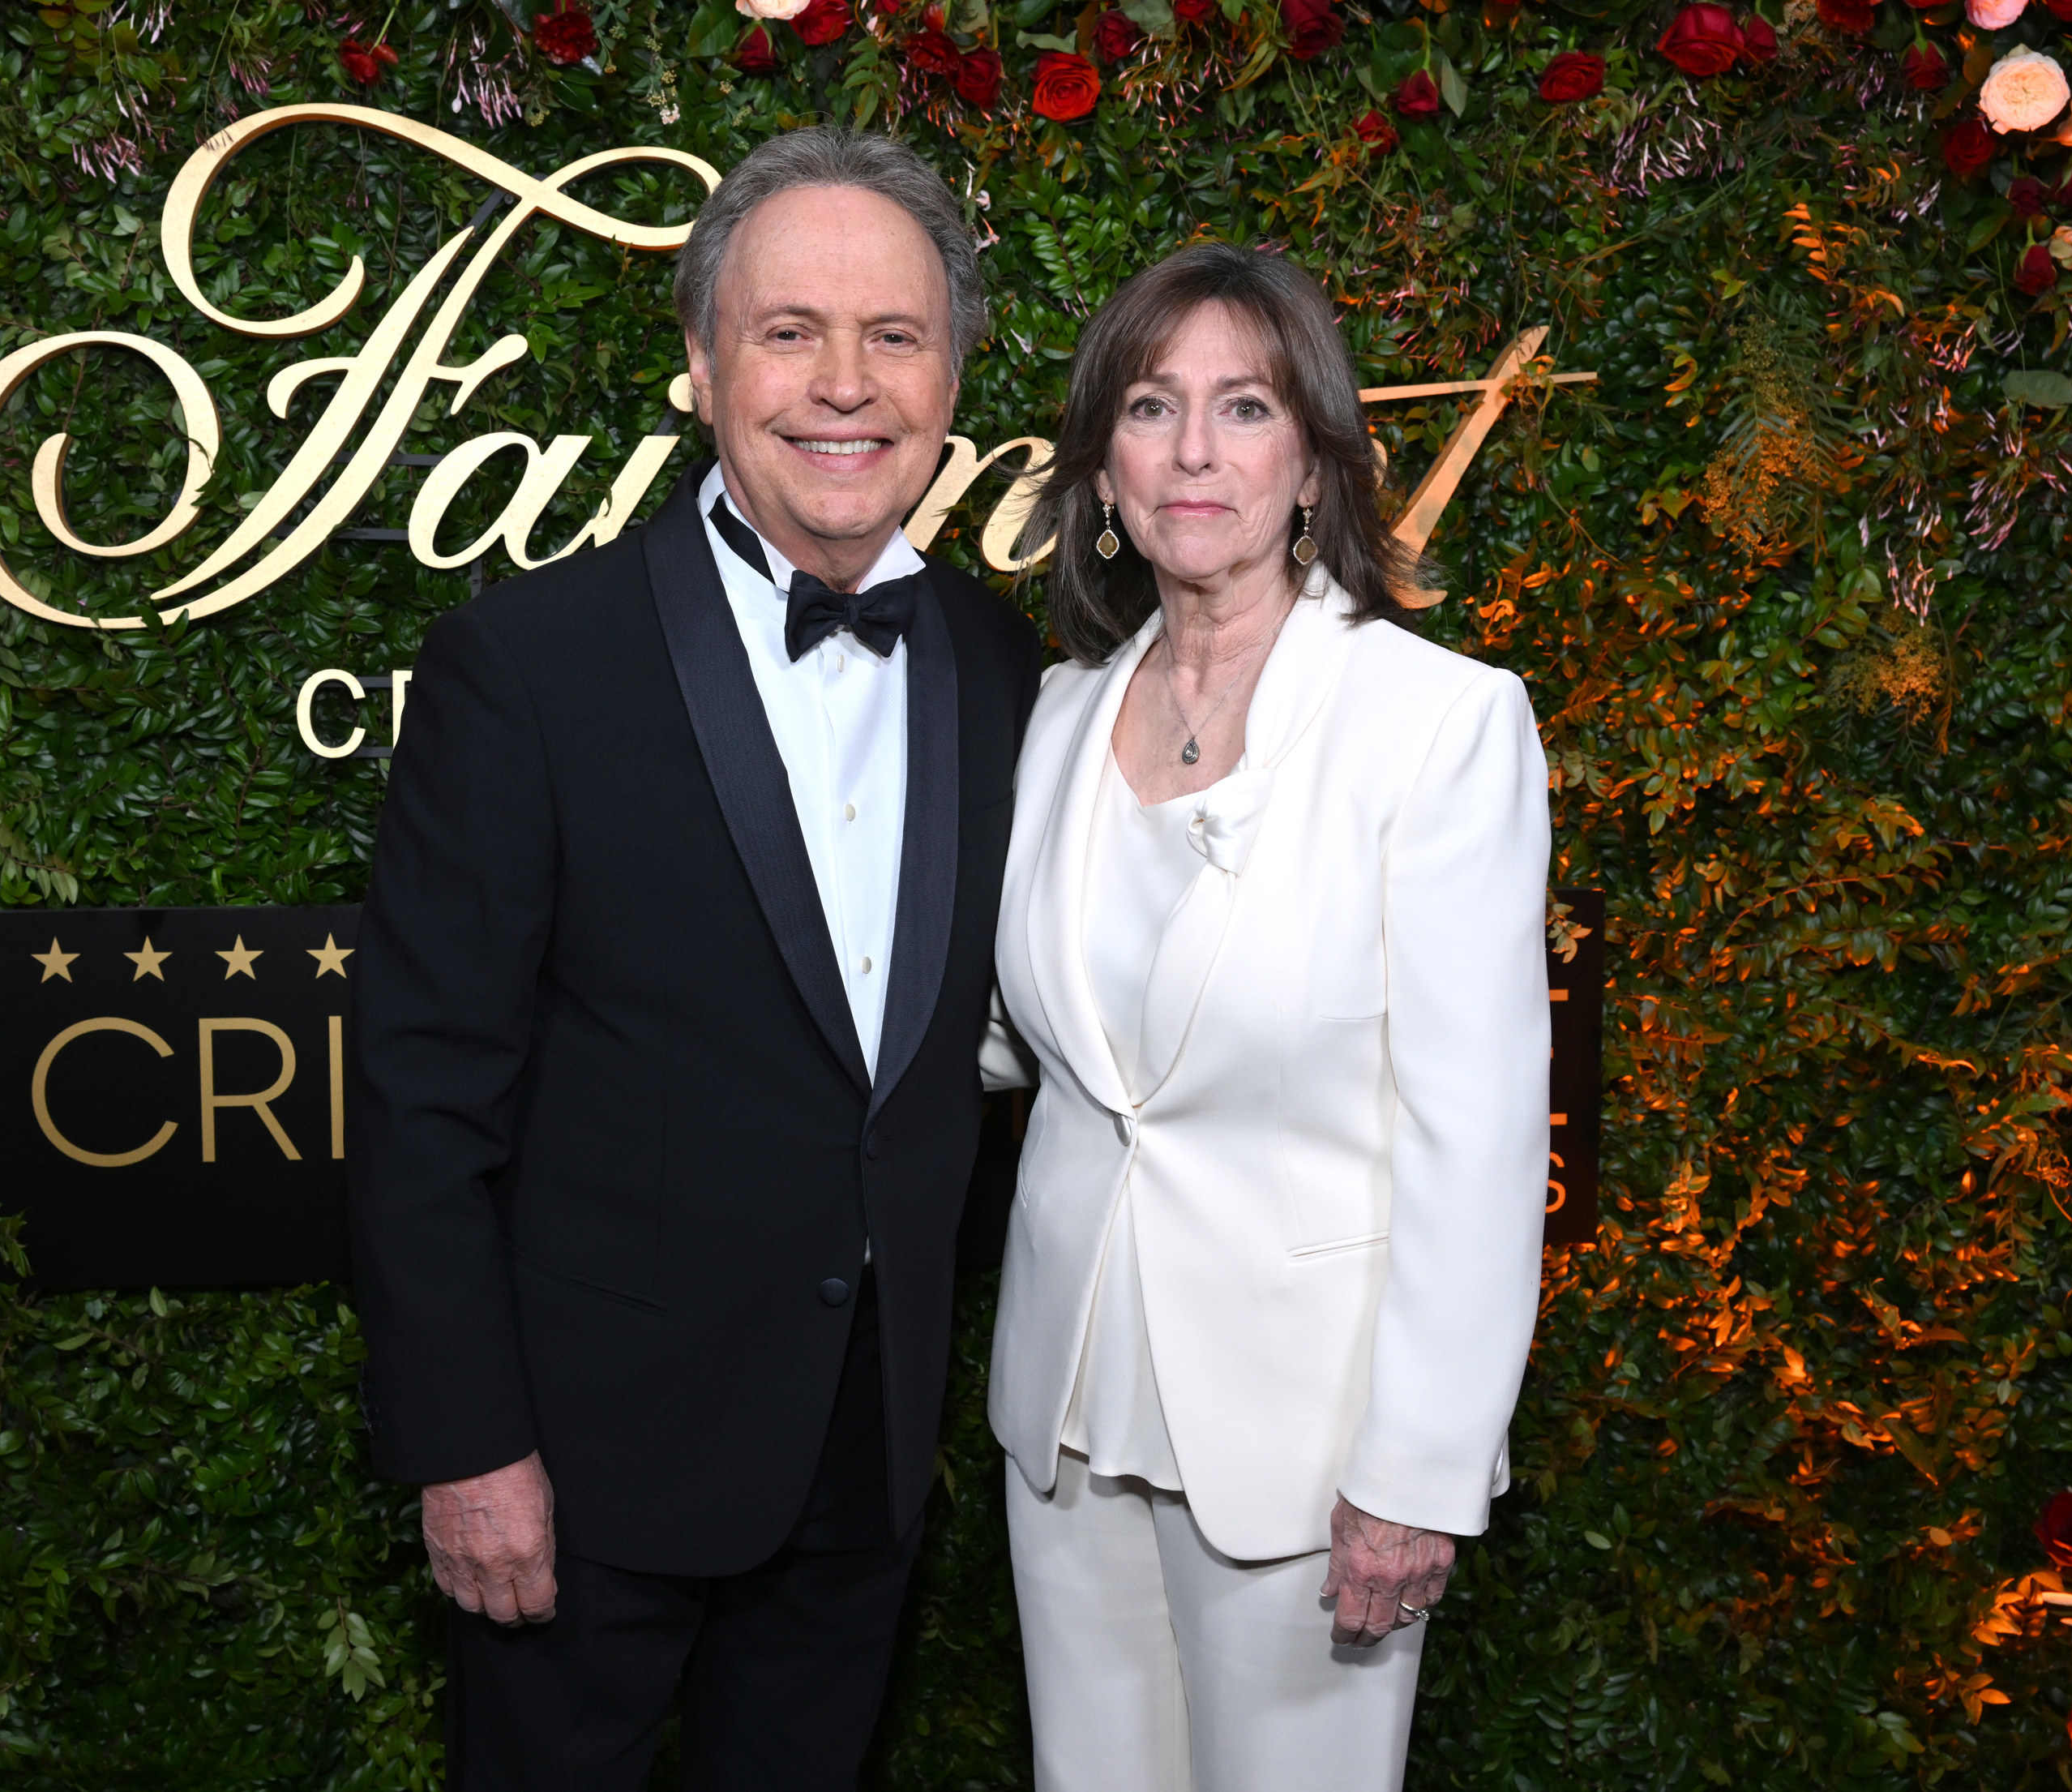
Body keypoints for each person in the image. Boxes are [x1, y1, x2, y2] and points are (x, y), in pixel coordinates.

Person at [349, 127, 1041, 1791]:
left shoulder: (1005, 665)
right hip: (579, 1468)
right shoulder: (527, 662)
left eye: (895, 336)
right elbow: (419, 1093)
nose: (844, 385)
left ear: (951, 375)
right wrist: (468, 1447)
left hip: (863, 1460)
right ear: (700, 367)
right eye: (788, 331)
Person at [983, 242, 1552, 1790]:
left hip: (1310, 1447)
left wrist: (1419, 1471)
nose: (1194, 452)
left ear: (1314, 460)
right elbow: (1012, 1041)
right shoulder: (1056, 719)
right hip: (1067, 1402)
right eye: (1153, 407)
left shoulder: (1435, 724)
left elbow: (1477, 1132)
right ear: (1103, 461)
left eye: (1245, 407)